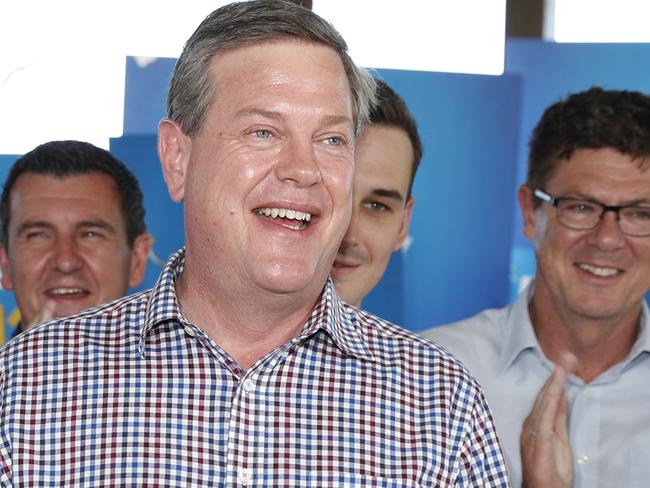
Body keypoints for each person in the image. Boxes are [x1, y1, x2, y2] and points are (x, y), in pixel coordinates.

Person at [0, 2, 509, 485]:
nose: (303, 170)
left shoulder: (440, 405)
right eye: (264, 132)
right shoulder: (28, 388)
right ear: (177, 158)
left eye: (331, 140)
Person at [423, 87, 650, 487]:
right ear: (530, 212)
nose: (608, 239)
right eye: (581, 207)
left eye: (640, 214)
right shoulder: (429, 373)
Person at [0, 140, 151, 337]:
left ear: (136, 260)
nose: (65, 262)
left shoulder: (184, 366)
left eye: (90, 234)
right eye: (38, 235)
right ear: (5, 265)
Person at [331, 78, 421, 308]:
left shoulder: (412, 346)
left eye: (377, 206)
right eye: (335, 194)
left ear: (403, 224)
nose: (349, 236)